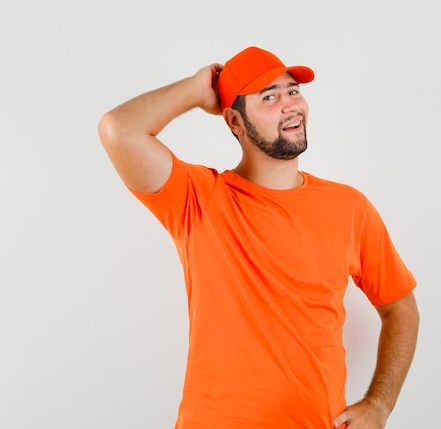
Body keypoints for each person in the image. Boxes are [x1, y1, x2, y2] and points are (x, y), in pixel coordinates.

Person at [98, 46, 419, 429]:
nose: (290, 104)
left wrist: (379, 404)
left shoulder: (350, 207)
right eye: (270, 97)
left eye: (293, 91)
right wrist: (197, 89)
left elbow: (400, 307)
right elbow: (118, 130)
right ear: (234, 121)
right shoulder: (197, 198)